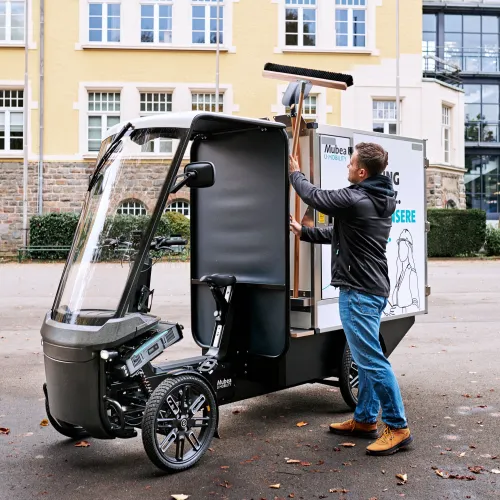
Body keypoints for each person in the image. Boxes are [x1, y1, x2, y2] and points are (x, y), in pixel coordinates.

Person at [289, 142, 413, 456]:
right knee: (366, 359)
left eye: (350, 165)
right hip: (370, 288)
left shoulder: (357, 198)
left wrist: (295, 174)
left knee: (371, 362)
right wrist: (303, 232)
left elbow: (315, 197)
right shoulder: (376, 198)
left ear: (361, 171)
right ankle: (365, 419)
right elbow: (340, 234)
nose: (347, 169)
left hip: (359, 291)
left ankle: (398, 428)